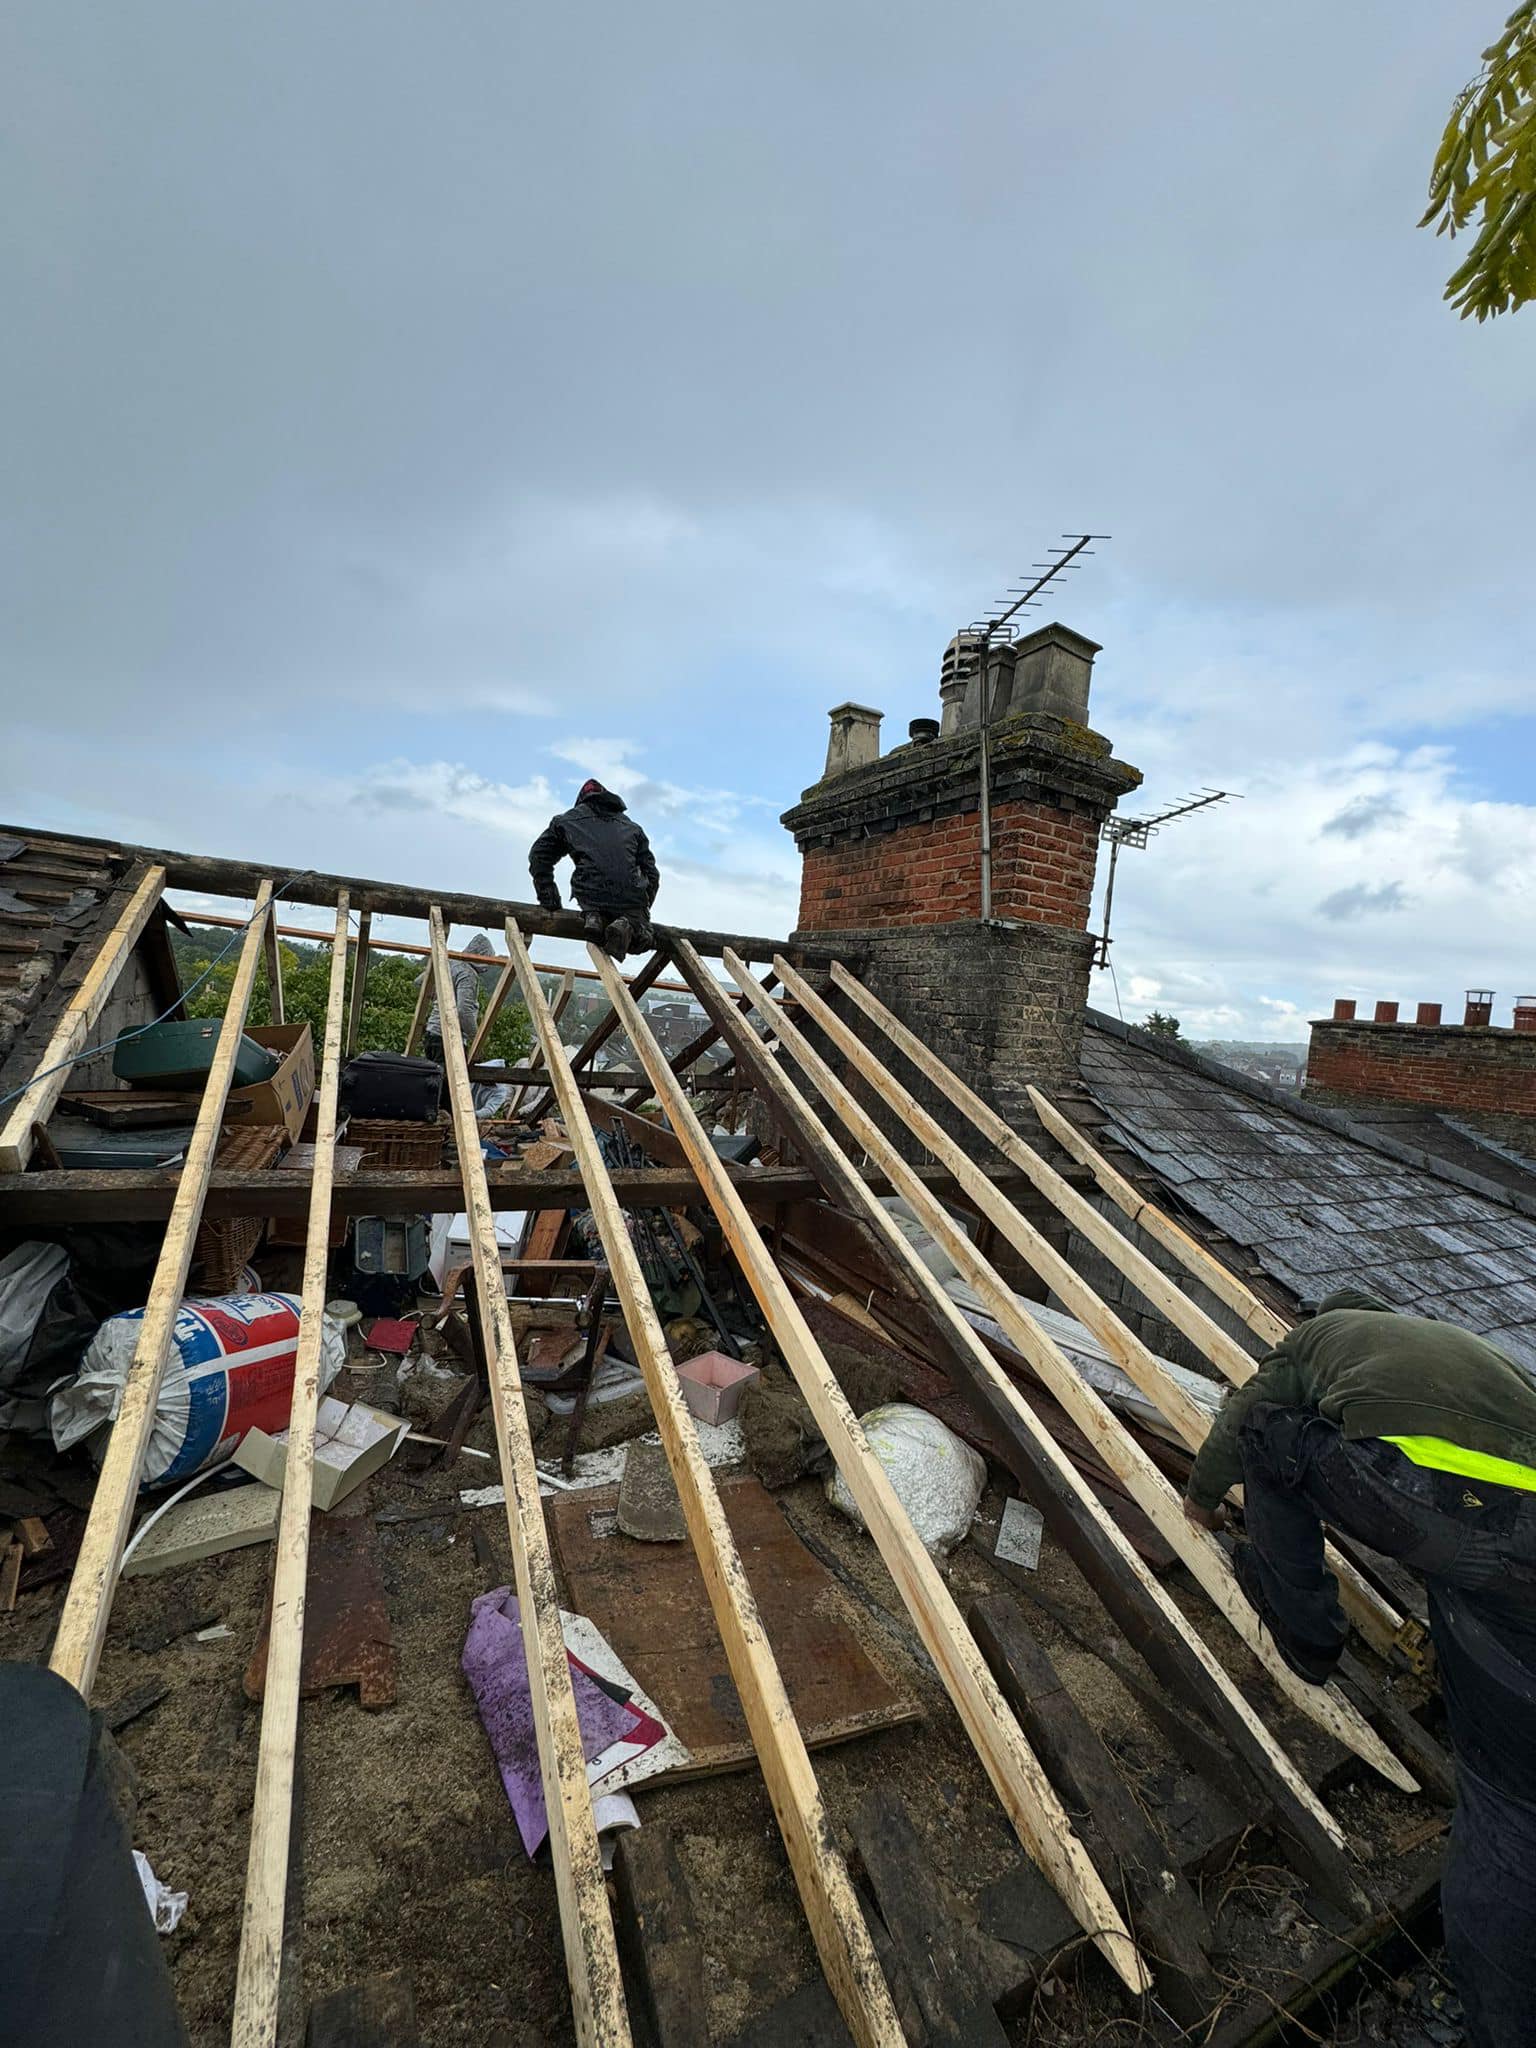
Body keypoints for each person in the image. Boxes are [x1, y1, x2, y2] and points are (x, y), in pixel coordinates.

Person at [1183, 1288, 1536, 2046]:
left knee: (1271, 1436)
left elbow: (1242, 1419)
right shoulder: (1454, 1351)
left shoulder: (1310, 1348)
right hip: (1516, 1542)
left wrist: (1200, 1504)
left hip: (1475, 1521)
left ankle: (1307, 1637)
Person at [528, 779, 660, 958]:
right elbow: (651, 874)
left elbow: (539, 856)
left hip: (591, 893)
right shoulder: (633, 828)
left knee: (606, 909)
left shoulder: (566, 821)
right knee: (643, 937)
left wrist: (549, 898)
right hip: (630, 896)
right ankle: (627, 922)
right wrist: (642, 906)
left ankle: (595, 918)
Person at [417, 931, 493, 1065]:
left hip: (432, 1033)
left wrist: (438, 997)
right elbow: (464, 1011)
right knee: (450, 1084)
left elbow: (420, 982)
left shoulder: (449, 963)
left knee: (432, 1081)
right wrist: (476, 1040)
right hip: (449, 1039)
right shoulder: (468, 974)